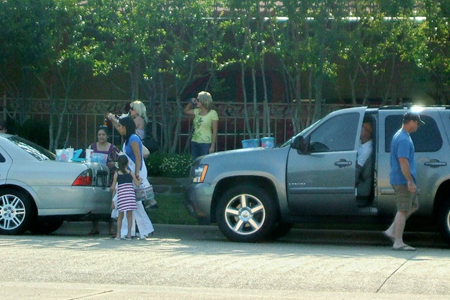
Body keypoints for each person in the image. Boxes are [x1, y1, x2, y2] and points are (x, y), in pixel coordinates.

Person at [384, 111, 424, 251]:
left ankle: (391, 231)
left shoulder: (401, 135)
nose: (418, 126)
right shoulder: (403, 139)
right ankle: (398, 242)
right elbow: (403, 160)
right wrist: (409, 181)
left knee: (413, 206)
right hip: (402, 180)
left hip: (403, 179)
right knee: (402, 210)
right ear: (411, 121)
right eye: (417, 123)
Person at [115, 116, 155, 239]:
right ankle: (138, 230)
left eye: (120, 126)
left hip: (135, 174)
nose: (119, 129)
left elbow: (138, 157)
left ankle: (140, 230)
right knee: (131, 203)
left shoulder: (133, 139)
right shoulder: (127, 139)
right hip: (129, 173)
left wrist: (136, 175)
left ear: (125, 127)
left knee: (133, 203)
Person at [88, 125, 120, 236]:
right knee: (95, 201)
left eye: (103, 135)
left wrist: (114, 164)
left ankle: (111, 228)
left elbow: (121, 162)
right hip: (96, 178)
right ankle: (95, 227)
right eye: (99, 134)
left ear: (107, 136)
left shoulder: (113, 148)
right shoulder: (92, 147)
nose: (101, 137)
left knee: (110, 202)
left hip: (110, 179)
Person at [111, 155, 141, 240]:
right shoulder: (131, 173)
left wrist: (110, 188)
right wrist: (141, 180)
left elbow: (113, 187)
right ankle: (128, 234)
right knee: (129, 216)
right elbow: (137, 184)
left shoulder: (116, 174)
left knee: (120, 216)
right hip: (130, 197)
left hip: (121, 197)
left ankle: (118, 234)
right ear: (127, 163)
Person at [183, 91, 219, 160]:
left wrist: (212, 145)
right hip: (195, 141)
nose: (197, 101)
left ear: (204, 100)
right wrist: (191, 102)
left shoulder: (213, 113)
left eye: (198, 100)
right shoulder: (197, 111)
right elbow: (186, 111)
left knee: (205, 162)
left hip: (206, 143)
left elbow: (215, 130)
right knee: (195, 162)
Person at [356, 119, 373, 198]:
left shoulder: (368, 149)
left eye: (362, 127)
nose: (360, 128)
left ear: (367, 133)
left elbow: (358, 168)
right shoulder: (359, 142)